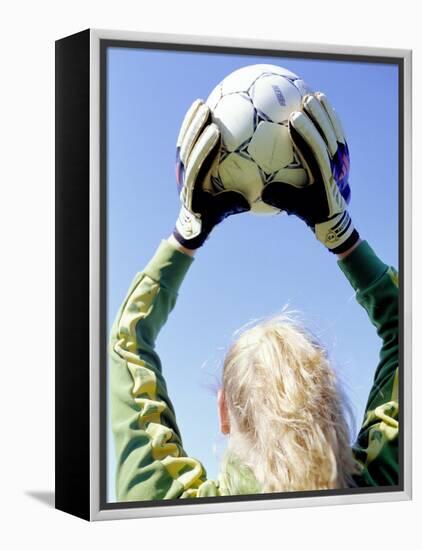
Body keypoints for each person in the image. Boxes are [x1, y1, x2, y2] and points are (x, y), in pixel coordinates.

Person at [109, 93, 399, 501]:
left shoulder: (166, 502)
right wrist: (340, 233)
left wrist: (186, 233)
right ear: (331, 404)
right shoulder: (383, 487)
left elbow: (127, 342)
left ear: (224, 411)